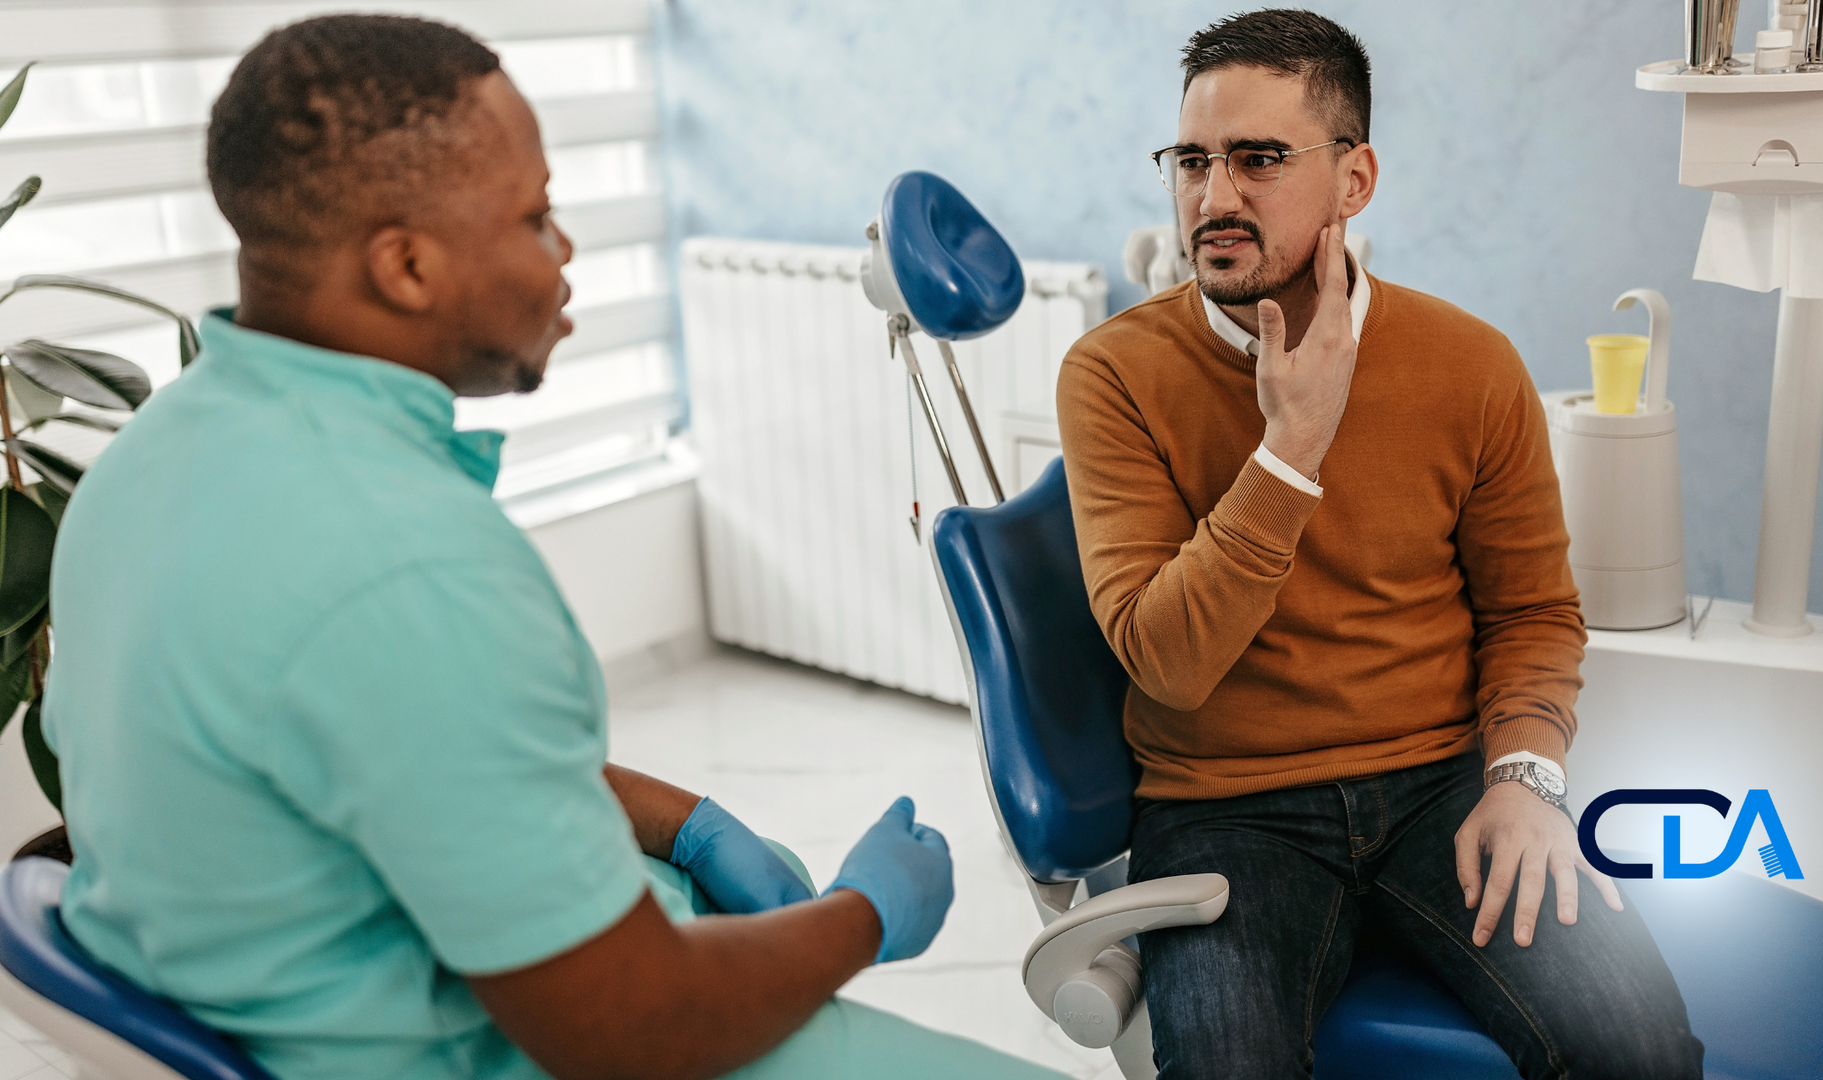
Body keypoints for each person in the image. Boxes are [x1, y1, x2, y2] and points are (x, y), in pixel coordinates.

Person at [42, 15, 1066, 1080]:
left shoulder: (148, 456)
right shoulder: (410, 567)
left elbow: (406, 747)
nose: (565, 248)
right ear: (405, 265)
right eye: (535, 217)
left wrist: (687, 826)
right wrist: (864, 915)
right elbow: (634, 1029)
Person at [1055, 10, 1703, 1079]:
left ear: (1353, 180)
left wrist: (1525, 779)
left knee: (1641, 1047)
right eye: (1192, 160)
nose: (1213, 199)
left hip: (1443, 786)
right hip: (1223, 808)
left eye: (1259, 159)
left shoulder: (1470, 364)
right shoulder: (1112, 375)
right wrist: (1290, 447)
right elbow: (1166, 661)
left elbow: (1531, 611)